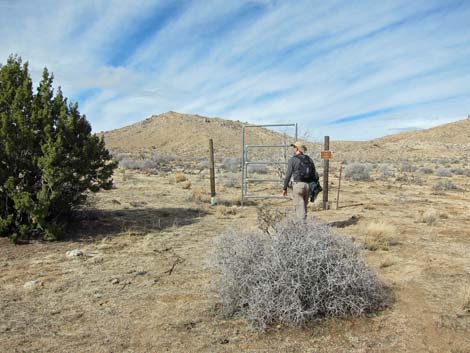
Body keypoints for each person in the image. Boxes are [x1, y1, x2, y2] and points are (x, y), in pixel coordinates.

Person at [282, 141, 317, 220]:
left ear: (297, 148)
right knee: (304, 208)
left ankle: (301, 229)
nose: (293, 149)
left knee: (299, 209)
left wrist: (284, 188)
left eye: (294, 147)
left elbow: (288, 175)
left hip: (298, 186)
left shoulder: (293, 159)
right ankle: (304, 226)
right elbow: (314, 174)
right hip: (307, 186)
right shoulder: (309, 159)